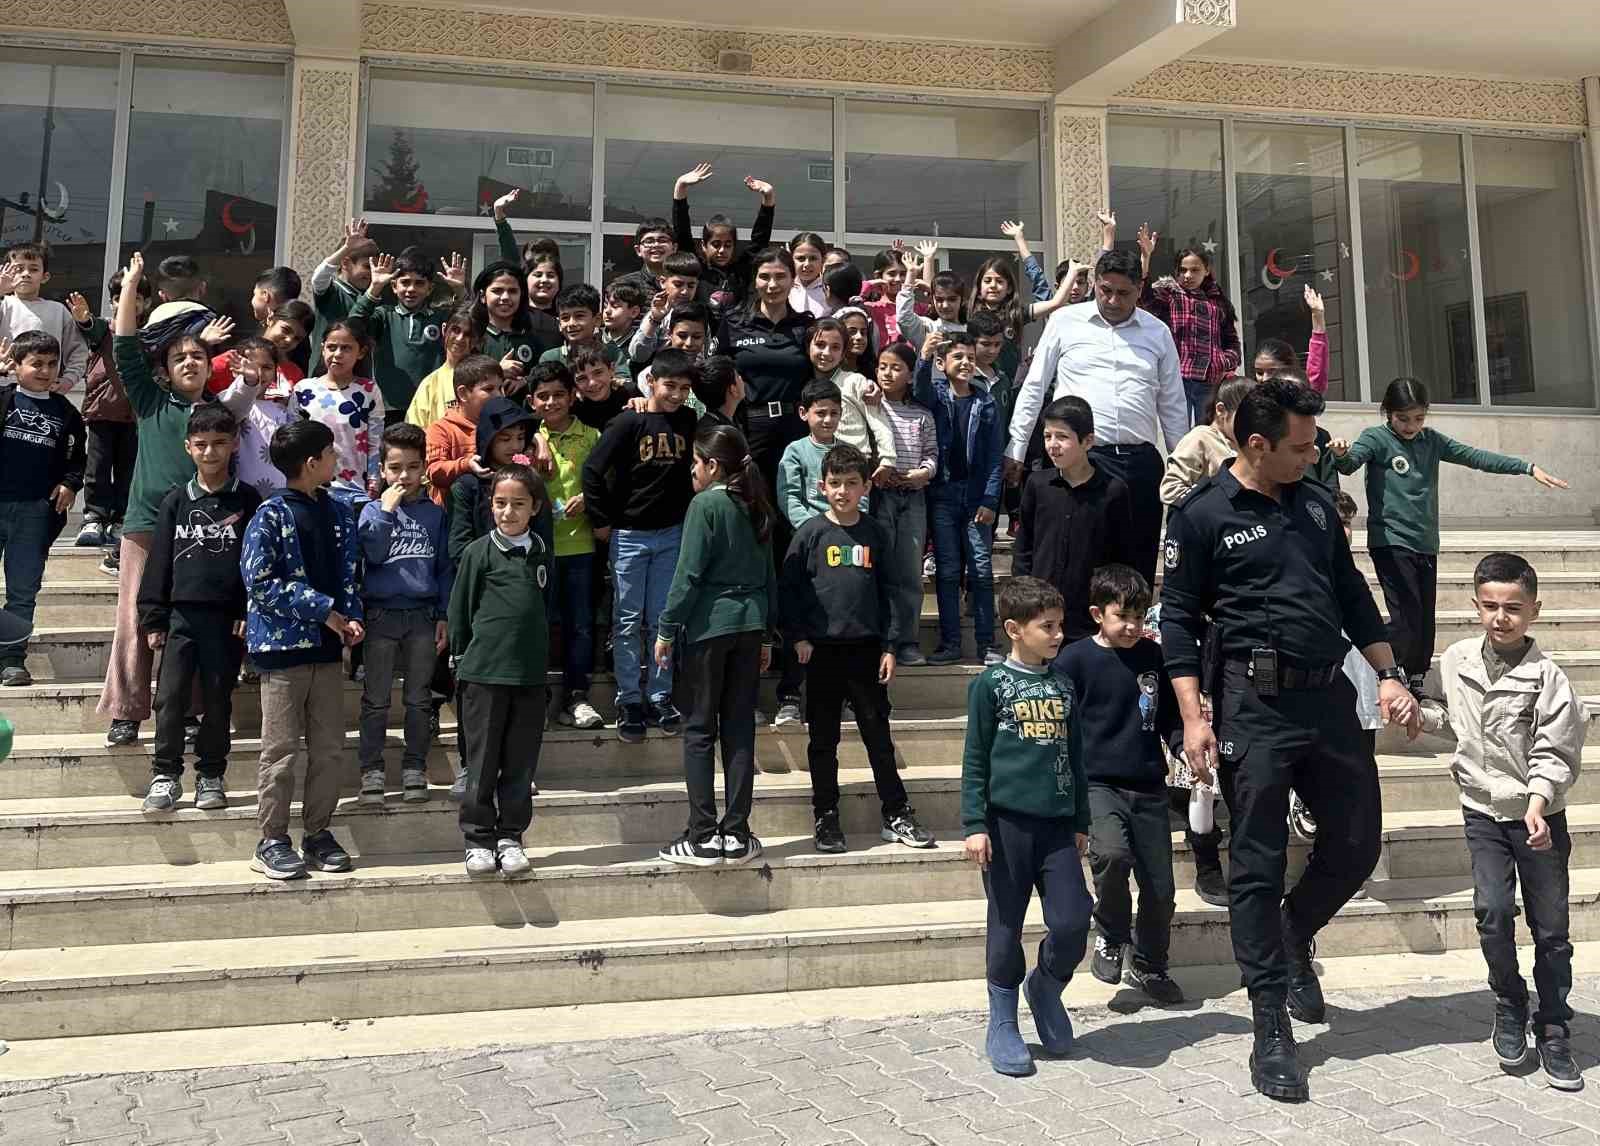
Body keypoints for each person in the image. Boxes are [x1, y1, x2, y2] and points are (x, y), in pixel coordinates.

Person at [1160, 377, 1421, 1101]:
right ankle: (1269, 1019)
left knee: (1358, 843)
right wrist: (1192, 715)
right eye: (1300, 446)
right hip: (1254, 703)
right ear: (1256, 444)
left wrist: (1389, 674)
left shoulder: (1311, 502)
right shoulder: (1202, 514)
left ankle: (1290, 932)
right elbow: (1176, 621)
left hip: (1330, 697)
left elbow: (1351, 591)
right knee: (1256, 861)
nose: (1314, 455)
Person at [1419, 552, 1585, 1090]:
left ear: (1534, 610)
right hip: (1483, 813)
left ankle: (1554, 1022)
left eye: (1513, 607)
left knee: (1551, 928)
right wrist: (1415, 716)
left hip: (1538, 819)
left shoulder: (1549, 677)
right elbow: (1446, 717)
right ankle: (1509, 1001)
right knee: (1492, 911)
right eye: (1490, 606)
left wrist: (1538, 801)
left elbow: (1555, 751)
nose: (1501, 617)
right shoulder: (1457, 658)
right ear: (1475, 606)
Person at [1332, 376, 1566, 697]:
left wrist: (1526, 466)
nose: (1411, 426)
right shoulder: (1376, 438)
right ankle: (1376, 661)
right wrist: (1341, 453)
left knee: (1425, 620)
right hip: (1390, 541)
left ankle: (1416, 676)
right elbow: (1348, 465)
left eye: (1418, 418)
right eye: (1403, 419)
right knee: (1406, 618)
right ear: (1388, 412)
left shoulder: (1432, 441)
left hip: (1425, 542)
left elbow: (1476, 457)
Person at [98, 253, 249, 747]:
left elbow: (247, 395)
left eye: (198, 357)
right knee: (135, 622)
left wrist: (250, 376)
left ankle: (188, 708)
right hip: (145, 526)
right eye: (180, 357)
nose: (190, 362)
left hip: (204, 531)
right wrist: (133, 286)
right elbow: (123, 345)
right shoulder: (150, 402)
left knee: (198, 624)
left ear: (211, 367)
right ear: (164, 367)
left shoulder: (218, 415)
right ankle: (126, 710)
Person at [961, 575, 1091, 1078]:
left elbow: (1076, 757)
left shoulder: (1063, 685)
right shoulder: (990, 686)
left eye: (1060, 625)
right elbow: (975, 757)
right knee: (1006, 927)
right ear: (1015, 629)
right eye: (1048, 627)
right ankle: (1002, 1021)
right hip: (1005, 827)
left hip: (1058, 828)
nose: (1059, 635)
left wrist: (1080, 818)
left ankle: (1046, 986)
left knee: (1073, 919)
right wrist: (975, 823)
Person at [782, 444, 933, 855]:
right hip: (822, 653)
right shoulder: (810, 533)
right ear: (821, 486)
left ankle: (896, 812)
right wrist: (798, 637)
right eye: (835, 484)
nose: (843, 491)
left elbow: (891, 592)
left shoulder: (875, 534)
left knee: (878, 737)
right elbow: (790, 592)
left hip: (866, 651)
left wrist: (890, 646)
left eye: (852, 483)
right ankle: (826, 816)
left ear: (866, 487)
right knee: (823, 742)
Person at [1007, 249, 1186, 586]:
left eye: (1124, 293)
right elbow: (1034, 386)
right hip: (1082, 462)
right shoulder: (1065, 321)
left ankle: (1132, 633)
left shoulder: (1157, 332)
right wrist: (1016, 449)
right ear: (1094, 285)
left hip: (1139, 466)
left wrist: (1183, 465)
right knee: (1078, 560)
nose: (1113, 301)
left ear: (1139, 288)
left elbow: (1173, 403)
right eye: (1106, 290)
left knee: (1136, 564)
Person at [1054, 565, 1184, 1004]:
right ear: (1097, 614)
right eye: (1122, 616)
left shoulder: (1152, 657)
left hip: (1148, 785)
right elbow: (1060, 725)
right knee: (1110, 853)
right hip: (1097, 783)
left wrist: (1183, 744)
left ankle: (1150, 962)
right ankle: (1110, 932)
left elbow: (1167, 715)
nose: (1132, 626)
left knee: (1161, 888)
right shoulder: (1074, 660)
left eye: (1140, 616)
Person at [241, 419, 364, 881]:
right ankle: (271, 839)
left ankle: (318, 833)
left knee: (330, 748)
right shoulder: (271, 514)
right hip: (282, 652)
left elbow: (348, 571)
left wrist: (349, 616)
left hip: (327, 651)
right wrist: (324, 610)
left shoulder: (337, 510)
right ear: (312, 463)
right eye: (330, 453)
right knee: (281, 750)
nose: (337, 459)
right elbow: (260, 580)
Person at [654, 423, 777, 866]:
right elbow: (769, 575)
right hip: (750, 625)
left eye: (696, 462)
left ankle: (703, 833)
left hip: (709, 626)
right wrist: (766, 632)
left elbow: (688, 574)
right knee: (739, 729)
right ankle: (737, 831)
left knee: (700, 729)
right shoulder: (756, 502)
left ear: (712, 465)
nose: (692, 470)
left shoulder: (705, 504)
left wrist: (667, 627)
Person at [136, 403, 258, 811]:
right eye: (202, 445)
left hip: (227, 620)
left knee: (219, 696)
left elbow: (254, 564)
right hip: (179, 617)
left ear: (234, 444)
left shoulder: (248, 500)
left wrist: (247, 611)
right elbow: (158, 564)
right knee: (169, 697)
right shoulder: (176, 501)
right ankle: (165, 775)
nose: (210, 453)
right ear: (188, 448)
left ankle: (210, 774)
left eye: (219, 443)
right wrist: (154, 616)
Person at [714, 245, 814, 717]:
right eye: (765, 277)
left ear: (794, 279)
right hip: (748, 435)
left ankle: (792, 687)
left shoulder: (805, 327)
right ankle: (743, 686)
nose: (772, 284)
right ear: (754, 281)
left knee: (792, 551)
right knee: (750, 548)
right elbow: (713, 379)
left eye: (780, 276)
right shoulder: (733, 324)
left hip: (796, 442)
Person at [581, 347, 698, 742]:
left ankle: (660, 694)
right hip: (629, 534)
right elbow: (593, 470)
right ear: (651, 382)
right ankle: (630, 697)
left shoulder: (688, 419)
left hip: (671, 533)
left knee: (663, 619)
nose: (677, 395)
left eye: (684, 388)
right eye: (670, 386)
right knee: (628, 621)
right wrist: (601, 522)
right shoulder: (628, 421)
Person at [448, 461, 551, 879]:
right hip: (485, 674)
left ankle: (511, 837)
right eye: (501, 503)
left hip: (528, 676)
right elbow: (462, 610)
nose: (509, 512)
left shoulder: (542, 552)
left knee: (520, 762)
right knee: (482, 761)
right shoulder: (479, 552)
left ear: (535, 508)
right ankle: (477, 839)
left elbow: (545, 606)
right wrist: (460, 657)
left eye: (518, 504)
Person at [358, 422, 453, 806]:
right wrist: (385, 511)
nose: (404, 476)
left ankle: (415, 766)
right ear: (382, 470)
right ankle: (372, 769)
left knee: (418, 699)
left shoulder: (435, 515)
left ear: (424, 469)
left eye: (412, 467)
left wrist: (444, 614)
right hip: (380, 616)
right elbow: (373, 555)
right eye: (395, 468)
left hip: (422, 616)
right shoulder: (369, 512)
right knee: (376, 699)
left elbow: (444, 567)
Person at [0, 331, 85, 686]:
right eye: (36, 363)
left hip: (35, 513)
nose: (45, 370)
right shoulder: (3, 399)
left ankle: (11, 659)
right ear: (16, 366)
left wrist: (69, 483)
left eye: (52, 364)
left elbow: (78, 458)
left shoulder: (65, 413)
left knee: (23, 591)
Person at [1014, 396, 1135, 641]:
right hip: (1040, 614)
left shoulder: (1113, 491)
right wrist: (1025, 594)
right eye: (1048, 436)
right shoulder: (1038, 485)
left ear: (1088, 441)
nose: (1053, 445)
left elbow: (1122, 557)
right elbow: (1024, 545)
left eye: (1063, 437)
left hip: (1088, 617)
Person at [916, 333, 1003, 667]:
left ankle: (987, 642)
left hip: (976, 497)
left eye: (970, 357)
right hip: (942, 495)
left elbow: (994, 457)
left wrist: (991, 500)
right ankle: (950, 641)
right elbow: (920, 390)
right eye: (958, 357)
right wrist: (924, 357)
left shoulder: (986, 402)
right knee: (949, 570)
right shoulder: (937, 398)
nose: (966, 363)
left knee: (981, 570)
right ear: (943, 364)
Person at [530, 362, 604, 730]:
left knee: (580, 626)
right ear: (531, 401)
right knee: (539, 624)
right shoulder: (526, 437)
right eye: (542, 396)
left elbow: (608, 479)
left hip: (580, 547)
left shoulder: (592, 436)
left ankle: (577, 697)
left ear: (572, 396)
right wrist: (536, 438)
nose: (551, 402)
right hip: (538, 548)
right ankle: (536, 696)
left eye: (559, 394)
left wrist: (590, 500)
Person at [68, 274, 146, 553]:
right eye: (119, 298)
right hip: (102, 412)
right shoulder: (106, 329)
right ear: (113, 302)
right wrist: (83, 318)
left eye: (136, 297)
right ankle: (94, 518)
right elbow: (90, 327)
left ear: (145, 302)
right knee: (97, 468)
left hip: (136, 416)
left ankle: (121, 518)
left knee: (129, 469)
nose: (127, 303)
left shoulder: (148, 333)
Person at [1134, 225, 1241, 428]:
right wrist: (1145, 258)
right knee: (1179, 437)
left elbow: (1232, 342)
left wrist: (1223, 361)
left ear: (1207, 270)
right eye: (1182, 270)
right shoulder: (1170, 294)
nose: (1188, 275)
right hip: (1177, 380)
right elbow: (1143, 296)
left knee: (1207, 435)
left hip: (1208, 383)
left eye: (1194, 270)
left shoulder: (1218, 302)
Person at [870, 342, 937, 668]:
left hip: (912, 498)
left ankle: (908, 641)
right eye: (883, 366)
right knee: (881, 569)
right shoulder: (871, 406)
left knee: (910, 572)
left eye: (896, 368)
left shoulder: (922, 414)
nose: (887, 373)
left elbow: (932, 454)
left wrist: (923, 472)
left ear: (911, 376)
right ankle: (883, 640)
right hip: (879, 496)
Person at [348, 249, 466, 419]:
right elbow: (354, 325)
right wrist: (374, 288)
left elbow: (471, 322)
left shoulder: (441, 318)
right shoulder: (384, 315)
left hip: (432, 407)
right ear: (394, 286)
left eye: (419, 283)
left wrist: (460, 290)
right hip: (389, 408)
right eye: (405, 282)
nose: (411, 289)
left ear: (430, 288)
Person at [294, 320, 385, 502]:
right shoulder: (303, 390)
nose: (337, 354)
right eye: (332, 347)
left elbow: (375, 441)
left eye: (346, 348)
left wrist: (374, 482)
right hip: (311, 489)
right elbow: (293, 441)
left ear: (361, 352)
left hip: (356, 490)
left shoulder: (368, 390)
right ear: (322, 348)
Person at [671, 164, 776, 316]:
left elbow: (760, 239)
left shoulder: (741, 271)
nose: (722, 250)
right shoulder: (696, 269)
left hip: (736, 336)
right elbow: (682, 233)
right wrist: (680, 187)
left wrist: (768, 197)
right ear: (704, 245)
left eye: (728, 245)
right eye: (715, 244)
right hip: (702, 336)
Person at [805, 318, 896, 474]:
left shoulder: (855, 381)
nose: (826, 353)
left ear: (842, 354)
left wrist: (888, 459)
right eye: (820, 345)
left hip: (856, 466)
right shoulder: (804, 385)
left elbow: (879, 422)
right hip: (818, 465)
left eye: (835, 347)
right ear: (808, 348)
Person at [0, 241, 89, 391]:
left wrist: (68, 380)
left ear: (45, 276)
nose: (26, 274)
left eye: (33, 269)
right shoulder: (3, 304)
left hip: (44, 393)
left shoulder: (58, 311)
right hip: (4, 388)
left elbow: (78, 352)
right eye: (18, 269)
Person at [1159, 376, 1254, 506]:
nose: (1252, 426)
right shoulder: (1200, 438)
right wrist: (1214, 506)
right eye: (1245, 418)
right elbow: (1170, 491)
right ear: (1221, 410)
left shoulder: (1244, 443)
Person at [425, 355, 505, 506]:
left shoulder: (502, 424)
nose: (499, 395)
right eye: (489, 389)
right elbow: (434, 471)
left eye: (500, 388)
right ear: (463, 393)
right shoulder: (441, 429)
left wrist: (536, 439)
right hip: (455, 519)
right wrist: (466, 465)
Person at [473, 260, 558, 398]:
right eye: (497, 291)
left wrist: (526, 381)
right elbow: (457, 379)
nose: (505, 297)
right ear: (483, 296)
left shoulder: (533, 336)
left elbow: (548, 376)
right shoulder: (472, 336)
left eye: (512, 291)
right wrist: (496, 372)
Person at [308, 218, 378, 375]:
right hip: (324, 379)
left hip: (358, 381)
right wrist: (346, 248)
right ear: (345, 263)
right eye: (367, 266)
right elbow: (319, 277)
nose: (372, 273)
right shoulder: (331, 290)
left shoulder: (371, 297)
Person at [778, 379, 852, 527]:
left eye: (834, 413)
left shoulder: (850, 452)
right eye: (821, 413)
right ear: (803, 413)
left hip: (846, 529)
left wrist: (853, 523)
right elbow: (789, 496)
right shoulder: (795, 451)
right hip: (810, 532)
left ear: (841, 413)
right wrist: (810, 528)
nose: (828, 420)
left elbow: (860, 495)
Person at [405, 305, 482, 428]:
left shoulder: (484, 379)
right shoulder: (429, 384)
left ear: (476, 340)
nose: (460, 338)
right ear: (444, 329)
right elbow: (415, 430)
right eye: (455, 330)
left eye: (468, 334)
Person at [543, 283, 623, 370]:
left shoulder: (612, 353)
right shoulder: (550, 358)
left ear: (597, 320)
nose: (571, 323)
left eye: (579, 316)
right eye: (565, 318)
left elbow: (623, 381)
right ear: (559, 324)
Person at [612, 218, 677, 299]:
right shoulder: (622, 284)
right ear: (638, 250)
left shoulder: (687, 283)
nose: (656, 245)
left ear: (674, 248)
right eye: (649, 241)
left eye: (662, 240)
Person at [601, 282, 646, 380]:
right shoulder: (594, 338)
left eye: (615, 306)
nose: (607, 311)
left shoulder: (639, 347)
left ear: (634, 312)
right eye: (605, 306)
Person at [787, 232, 829, 317]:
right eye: (801, 258)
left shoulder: (830, 291)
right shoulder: (784, 289)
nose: (807, 264)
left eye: (813, 258)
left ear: (823, 260)